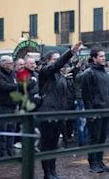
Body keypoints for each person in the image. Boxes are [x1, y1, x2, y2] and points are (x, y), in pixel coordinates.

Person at [38, 42, 82, 179]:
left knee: (54, 145)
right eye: (55, 59)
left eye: (59, 58)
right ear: (47, 61)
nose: (58, 62)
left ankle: (53, 171)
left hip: (59, 113)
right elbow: (56, 66)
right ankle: (47, 173)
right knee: (47, 145)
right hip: (47, 113)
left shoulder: (60, 76)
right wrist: (70, 52)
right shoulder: (45, 71)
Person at [81, 48, 109, 173]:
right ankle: (93, 163)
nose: (103, 58)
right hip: (96, 110)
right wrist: (91, 113)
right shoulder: (89, 73)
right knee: (94, 138)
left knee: (102, 138)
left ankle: (100, 161)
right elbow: (87, 95)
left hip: (106, 109)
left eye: (104, 56)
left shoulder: (105, 72)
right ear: (94, 58)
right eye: (100, 56)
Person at [0, 55, 18, 157]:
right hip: (2, 106)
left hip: (13, 105)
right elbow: (3, 86)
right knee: (2, 130)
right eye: (10, 63)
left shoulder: (13, 74)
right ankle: (3, 152)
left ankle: (10, 151)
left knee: (12, 130)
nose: (12, 65)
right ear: (3, 64)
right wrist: (17, 85)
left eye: (12, 63)